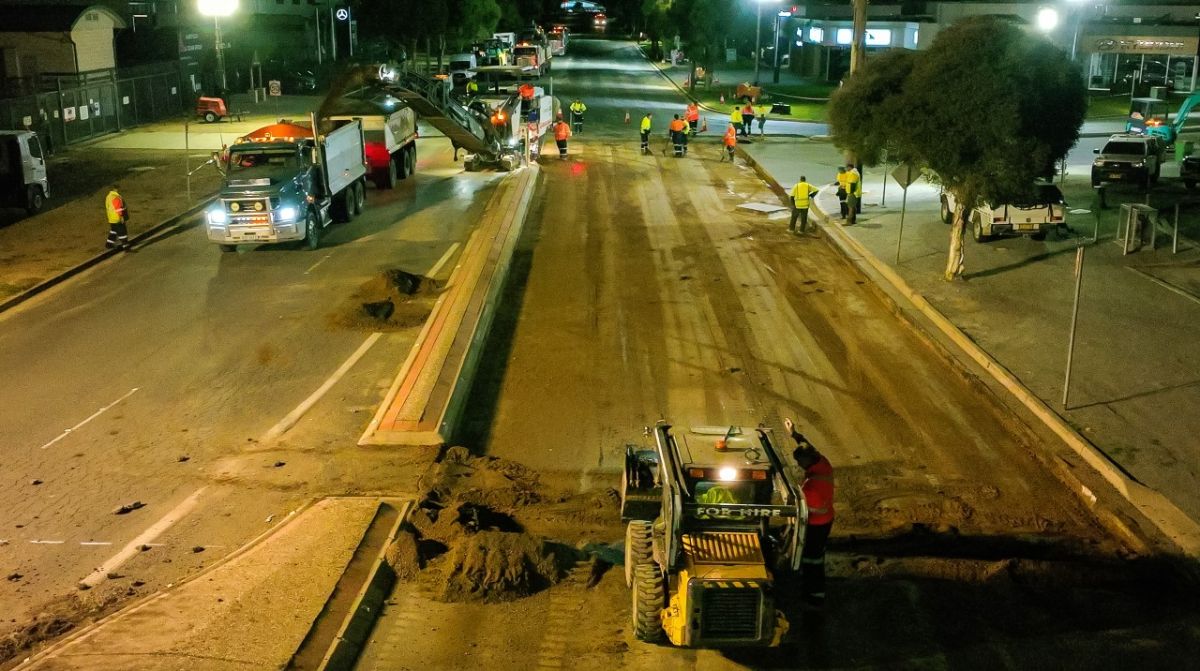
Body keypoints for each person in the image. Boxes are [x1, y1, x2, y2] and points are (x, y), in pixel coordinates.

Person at [784, 417, 834, 608]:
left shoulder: (812, 489)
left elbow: (798, 508)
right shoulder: (823, 464)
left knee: (812, 559)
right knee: (815, 557)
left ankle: (814, 596)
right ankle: (811, 589)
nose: (800, 466)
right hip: (826, 520)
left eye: (800, 463)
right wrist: (794, 434)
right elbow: (809, 447)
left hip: (817, 526)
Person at [104, 185, 131, 252]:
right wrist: (121, 216)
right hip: (117, 218)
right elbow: (118, 208)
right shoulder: (115, 197)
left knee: (114, 230)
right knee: (122, 232)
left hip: (111, 218)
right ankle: (126, 246)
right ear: (115, 189)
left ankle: (109, 244)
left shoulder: (108, 196)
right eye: (119, 189)